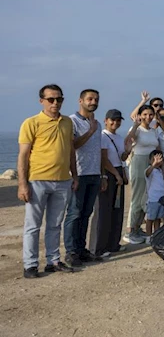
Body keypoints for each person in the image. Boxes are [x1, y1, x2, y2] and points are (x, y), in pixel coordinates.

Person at [18, 84, 78, 277]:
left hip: (63, 181)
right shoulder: (31, 123)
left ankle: (53, 261)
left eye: (59, 99)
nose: (55, 103)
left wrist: (74, 176)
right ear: (41, 101)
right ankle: (30, 265)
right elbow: (23, 155)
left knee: (55, 224)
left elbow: (70, 151)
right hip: (38, 180)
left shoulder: (68, 122)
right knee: (33, 225)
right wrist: (22, 184)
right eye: (51, 99)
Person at [64, 89, 104, 267]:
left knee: (87, 213)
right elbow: (73, 145)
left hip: (94, 174)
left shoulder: (97, 123)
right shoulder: (72, 121)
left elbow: (99, 151)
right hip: (79, 174)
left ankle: (81, 249)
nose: (93, 101)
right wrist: (90, 131)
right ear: (81, 101)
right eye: (89, 99)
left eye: (96, 99)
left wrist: (102, 175)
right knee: (74, 213)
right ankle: (71, 252)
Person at [90, 109, 130, 258]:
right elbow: (104, 159)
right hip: (108, 174)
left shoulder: (119, 137)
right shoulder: (103, 136)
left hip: (119, 172)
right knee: (103, 211)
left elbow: (122, 157)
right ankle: (98, 248)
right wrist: (114, 175)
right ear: (106, 120)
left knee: (117, 210)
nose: (115, 123)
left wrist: (128, 152)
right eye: (112, 120)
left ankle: (114, 244)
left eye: (118, 120)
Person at [125, 105, 159, 245]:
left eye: (151, 114)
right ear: (140, 115)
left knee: (147, 196)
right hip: (138, 161)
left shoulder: (154, 131)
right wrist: (135, 124)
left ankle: (139, 228)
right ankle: (131, 230)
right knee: (137, 196)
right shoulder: (137, 129)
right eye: (145, 114)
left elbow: (157, 147)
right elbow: (129, 139)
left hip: (151, 162)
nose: (148, 117)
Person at [144, 151, 164, 243]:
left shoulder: (160, 171)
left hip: (161, 198)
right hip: (153, 199)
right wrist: (153, 165)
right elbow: (147, 174)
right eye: (154, 159)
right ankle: (148, 237)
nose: (157, 161)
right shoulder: (149, 170)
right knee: (150, 219)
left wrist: (162, 165)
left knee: (158, 219)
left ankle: (156, 235)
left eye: (159, 159)